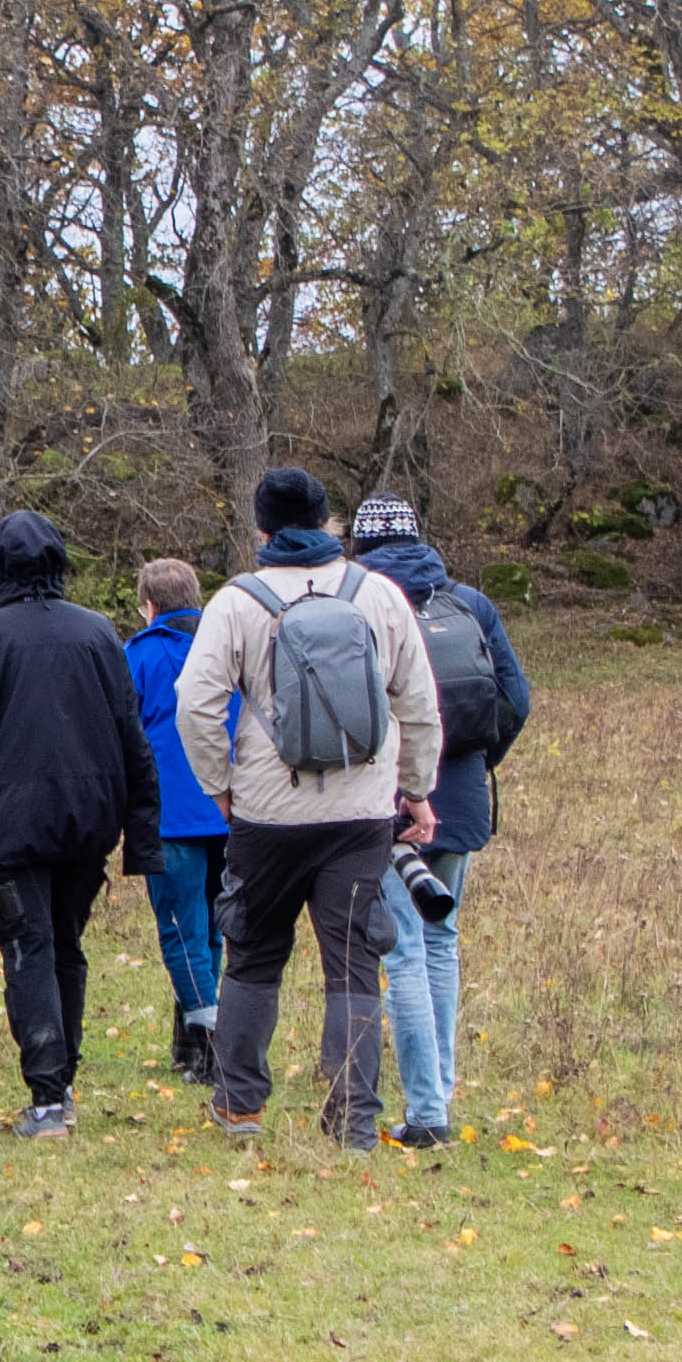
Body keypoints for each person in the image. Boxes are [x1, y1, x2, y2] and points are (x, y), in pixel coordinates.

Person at [168, 465, 441, 1147]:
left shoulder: (237, 600)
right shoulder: (377, 594)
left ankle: (239, 1108)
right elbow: (417, 701)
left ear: (260, 527)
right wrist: (414, 787)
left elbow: (194, 703)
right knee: (353, 964)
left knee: (252, 954)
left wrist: (220, 786)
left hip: (267, 811)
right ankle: (352, 1119)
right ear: (328, 524)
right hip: (360, 811)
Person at [0, 510, 155, 1133]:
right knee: (66, 946)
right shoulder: (98, 634)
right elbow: (131, 735)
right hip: (90, 818)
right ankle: (62, 1084)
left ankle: (49, 1094)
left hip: (9, 820)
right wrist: (141, 828)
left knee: (30, 946)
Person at [347, 492, 534, 1150]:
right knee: (440, 939)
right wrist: (477, 762)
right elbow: (516, 699)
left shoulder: (360, 604)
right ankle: (438, 1099)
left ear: (360, 546)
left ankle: (426, 1114)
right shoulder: (470, 605)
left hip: (391, 801)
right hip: (459, 798)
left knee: (402, 952)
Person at [121, 554, 231, 1078]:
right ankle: (194, 1042)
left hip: (172, 816)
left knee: (180, 930)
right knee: (211, 929)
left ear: (149, 606)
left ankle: (211, 1044)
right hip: (230, 809)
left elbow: (125, 733)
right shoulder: (225, 648)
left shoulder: (140, 657)